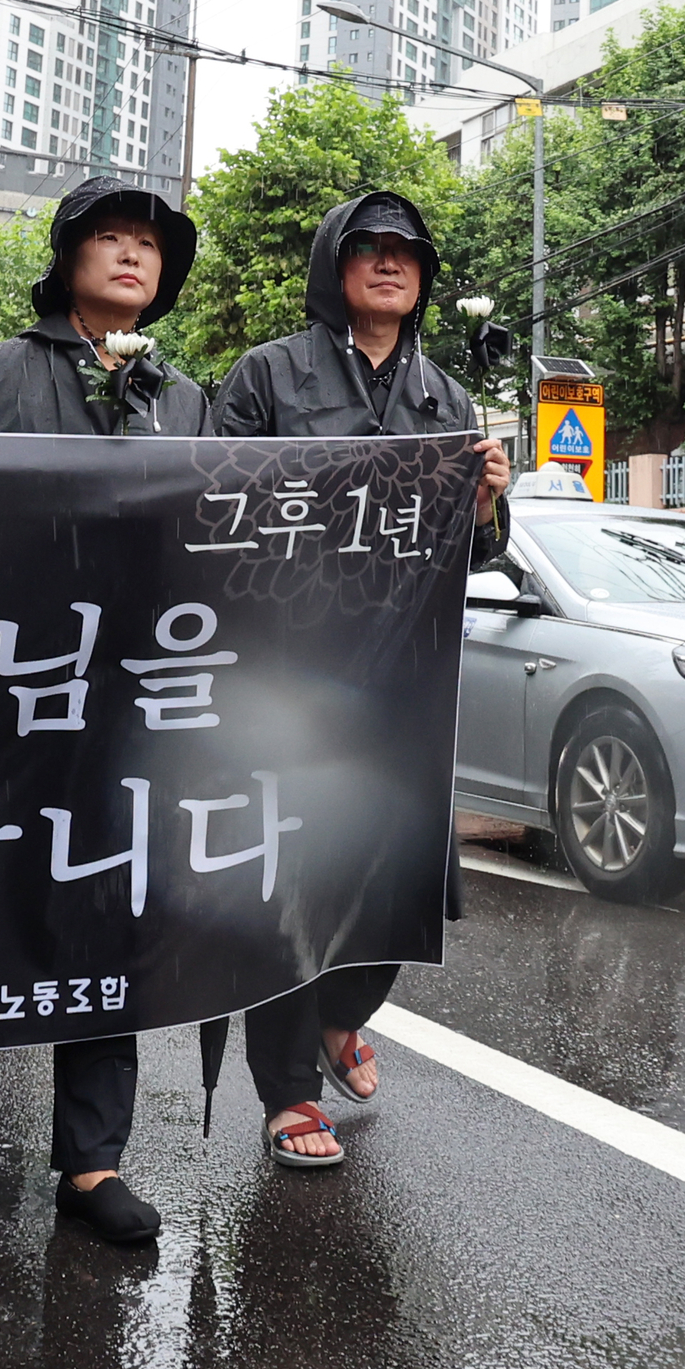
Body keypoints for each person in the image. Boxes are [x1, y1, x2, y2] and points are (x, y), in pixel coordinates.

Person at [0, 179, 208, 1248]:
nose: (133, 257)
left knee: (105, 912)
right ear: (68, 257)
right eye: (112, 239)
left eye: (150, 246)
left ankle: (91, 1162)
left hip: (123, 705)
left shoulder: (187, 398)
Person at [210, 192, 511, 1172]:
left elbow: (469, 555)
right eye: (369, 248)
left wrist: (491, 504)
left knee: (410, 878)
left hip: (402, 684)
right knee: (293, 888)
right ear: (333, 262)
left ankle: (343, 1013)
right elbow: (213, 506)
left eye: (406, 253)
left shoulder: (445, 398)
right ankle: (289, 1093)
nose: (389, 263)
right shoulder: (266, 375)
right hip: (288, 678)